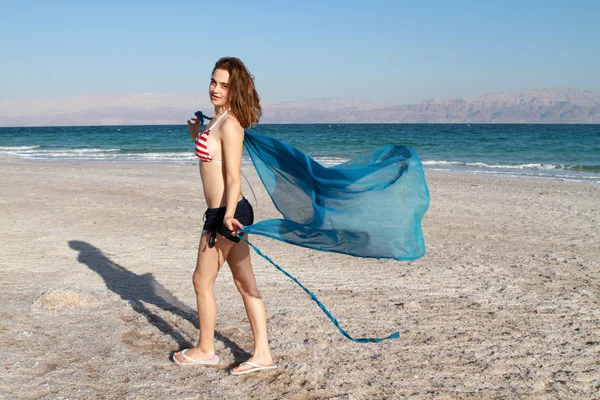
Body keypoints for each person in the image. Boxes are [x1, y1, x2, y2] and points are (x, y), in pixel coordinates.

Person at [173, 57, 276, 375]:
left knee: (201, 281)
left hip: (227, 213)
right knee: (245, 283)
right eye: (213, 81)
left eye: (224, 85)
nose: (215, 89)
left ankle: (206, 349)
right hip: (226, 211)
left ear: (236, 90)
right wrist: (196, 135)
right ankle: (263, 355)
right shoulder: (216, 120)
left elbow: (233, 177)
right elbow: (212, 160)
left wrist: (228, 216)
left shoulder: (231, 124)